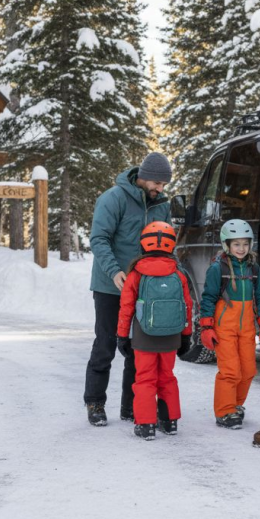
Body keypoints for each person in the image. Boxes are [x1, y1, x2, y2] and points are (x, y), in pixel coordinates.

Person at [85, 152, 172, 426]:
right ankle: (95, 402)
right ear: (146, 177)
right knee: (106, 344)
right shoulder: (114, 198)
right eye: (159, 184)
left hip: (145, 288)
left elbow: (167, 243)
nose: (161, 189)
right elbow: (99, 238)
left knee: (139, 349)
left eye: (164, 185)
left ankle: (132, 405)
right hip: (111, 286)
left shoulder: (161, 205)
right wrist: (114, 271)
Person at [115, 222, 194, 440]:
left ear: (144, 243)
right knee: (167, 377)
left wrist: (122, 336)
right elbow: (187, 306)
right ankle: (169, 422)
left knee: (145, 379)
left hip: (144, 336)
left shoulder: (136, 273)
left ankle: (146, 424)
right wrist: (186, 335)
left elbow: (126, 308)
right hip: (171, 336)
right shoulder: (179, 273)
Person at [198, 219, 260, 430]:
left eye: (245, 244)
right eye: (236, 244)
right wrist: (207, 327)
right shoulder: (217, 269)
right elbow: (208, 298)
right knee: (230, 371)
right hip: (225, 328)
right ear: (227, 245)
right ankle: (224, 411)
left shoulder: (253, 268)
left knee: (248, 371)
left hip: (247, 328)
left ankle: (236, 405)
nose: (241, 248)